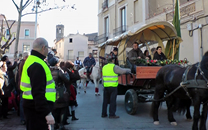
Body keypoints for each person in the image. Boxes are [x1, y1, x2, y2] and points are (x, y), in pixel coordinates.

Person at [20, 38, 56, 130]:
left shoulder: (32, 60)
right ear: (43, 47)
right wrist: (47, 113)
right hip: (37, 111)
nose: (48, 50)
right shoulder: (37, 64)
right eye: (48, 47)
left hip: (33, 108)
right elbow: (38, 92)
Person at [49, 57, 70, 130]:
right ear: (56, 63)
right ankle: (61, 124)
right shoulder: (59, 71)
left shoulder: (48, 71)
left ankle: (55, 124)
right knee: (62, 109)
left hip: (51, 92)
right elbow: (67, 80)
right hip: (60, 92)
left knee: (54, 109)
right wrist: (66, 74)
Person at [17, 52, 29, 125]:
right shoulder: (25, 63)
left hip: (22, 85)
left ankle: (23, 118)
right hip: (25, 86)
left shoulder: (21, 63)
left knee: (22, 102)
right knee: (23, 103)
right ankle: (23, 118)